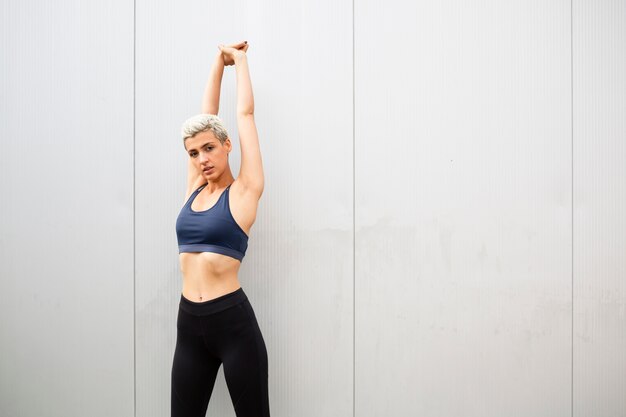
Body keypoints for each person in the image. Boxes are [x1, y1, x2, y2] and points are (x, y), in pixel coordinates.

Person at [171, 40, 270, 417]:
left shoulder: (244, 192)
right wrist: (216, 60)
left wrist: (239, 62)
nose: (201, 159)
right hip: (188, 327)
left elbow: (244, 115)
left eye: (209, 149)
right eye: (193, 153)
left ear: (227, 146)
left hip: (232, 325)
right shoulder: (194, 188)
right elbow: (205, 114)